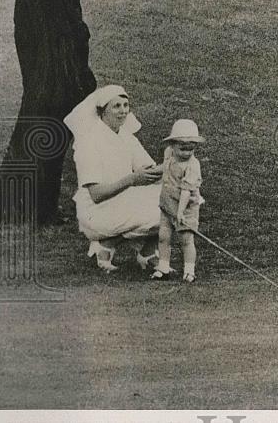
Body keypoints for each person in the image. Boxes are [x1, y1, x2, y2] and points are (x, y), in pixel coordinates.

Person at [64, 85, 163, 273]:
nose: (123, 111)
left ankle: (148, 252)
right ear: (102, 111)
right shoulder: (88, 142)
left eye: (126, 105)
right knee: (163, 211)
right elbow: (96, 194)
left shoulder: (127, 137)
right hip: (97, 209)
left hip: (124, 198)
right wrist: (132, 179)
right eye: (116, 106)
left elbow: (147, 169)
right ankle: (106, 242)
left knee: (182, 197)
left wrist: (172, 167)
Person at [151, 119, 206, 283]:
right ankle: (163, 268)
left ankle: (189, 271)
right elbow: (166, 168)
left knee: (186, 240)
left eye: (191, 149)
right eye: (182, 148)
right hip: (167, 205)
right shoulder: (169, 153)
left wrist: (181, 212)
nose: (187, 153)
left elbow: (186, 191)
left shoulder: (193, 166)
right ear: (173, 145)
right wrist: (153, 172)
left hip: (186, 207)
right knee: (163, 237)